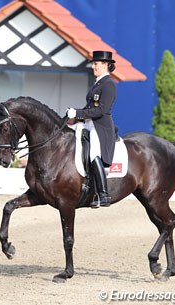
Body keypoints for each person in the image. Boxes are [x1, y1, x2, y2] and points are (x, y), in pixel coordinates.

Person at [67, 50, 117, 208]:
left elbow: (101, 111)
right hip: (88, 124)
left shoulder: (108, 85)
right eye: (93, 63)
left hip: (100, 127)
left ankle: (103, 194)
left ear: (105, 65)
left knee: (93, 153)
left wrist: (78, 113)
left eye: (96, 64)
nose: (93, 66)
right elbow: (89, 107)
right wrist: (75, 116)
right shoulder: (98, 83)